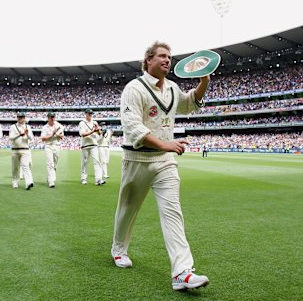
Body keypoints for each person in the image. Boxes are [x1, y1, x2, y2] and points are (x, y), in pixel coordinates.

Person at [111, 42, 210, 291]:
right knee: (127, 210)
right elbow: (132, 127)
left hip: (165, 163)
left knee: (173, 212)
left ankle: (182, 272)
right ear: (148, 60)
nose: (168, 60)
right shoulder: (134, 88)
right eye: (163, 56)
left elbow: (189, 103)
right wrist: (165, 144)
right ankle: (118, 249)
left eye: (170, 57)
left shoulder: (173, 88)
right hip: (137, 159)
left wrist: (204, 80)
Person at [9, 112, 35, 190]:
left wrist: (27, 134)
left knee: (25, 166)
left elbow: (31, 138)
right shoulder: (13, 127)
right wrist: (19, 135)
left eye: (21, 117)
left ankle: (29, 182)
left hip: (25, 150)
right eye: (19, 117)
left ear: (24, 118)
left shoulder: (28, 127)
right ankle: (15, 182)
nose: (20, 119)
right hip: (15, 149)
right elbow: (11, 138)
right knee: (15, 167)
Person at [79, 109, 104, 185]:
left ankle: (98, 179)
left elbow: (99, 133)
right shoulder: (82, 123)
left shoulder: (94, 122)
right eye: (89, 113)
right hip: (85, 144)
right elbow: (82, 134)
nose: (90, 115)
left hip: (94, 144)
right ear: (85, 114)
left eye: (91, 113)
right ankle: (83, 178)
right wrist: (92, 131)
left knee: (97, 161)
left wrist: (98, 130)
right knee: (85, 162)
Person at [41, 112, 64, 188]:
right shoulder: (45, 127)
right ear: (48, 118)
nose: (52, 118)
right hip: (48, 146)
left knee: (55, 164)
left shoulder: (59, 126)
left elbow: (62, 136)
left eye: (53, 117)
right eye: (51, 117)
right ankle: (51, 181)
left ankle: (49, 177)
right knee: (50, 163)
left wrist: (56, 134)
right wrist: (52, 134)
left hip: (56, 145)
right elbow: (43, 138)